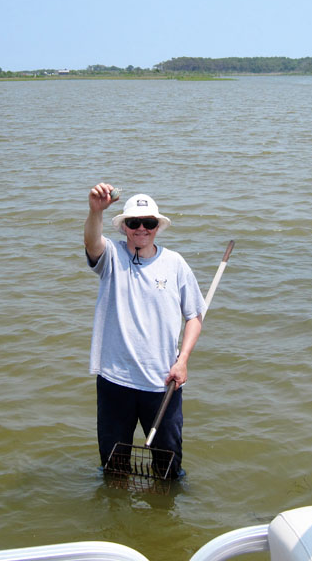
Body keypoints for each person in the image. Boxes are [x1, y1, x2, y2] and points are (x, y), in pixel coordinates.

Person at [84, 182, 206, 479]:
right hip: (116, 382)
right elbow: (91, 242)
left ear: (157, 227)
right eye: (134, 223)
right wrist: (95, 211)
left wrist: (183, 360)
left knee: (169, 471)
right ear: (124, 227)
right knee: (114, 470)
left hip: (163, 384)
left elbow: (194, 316)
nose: (141, 228)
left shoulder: (175, 264)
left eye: (148, 223)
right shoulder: (111, 257)